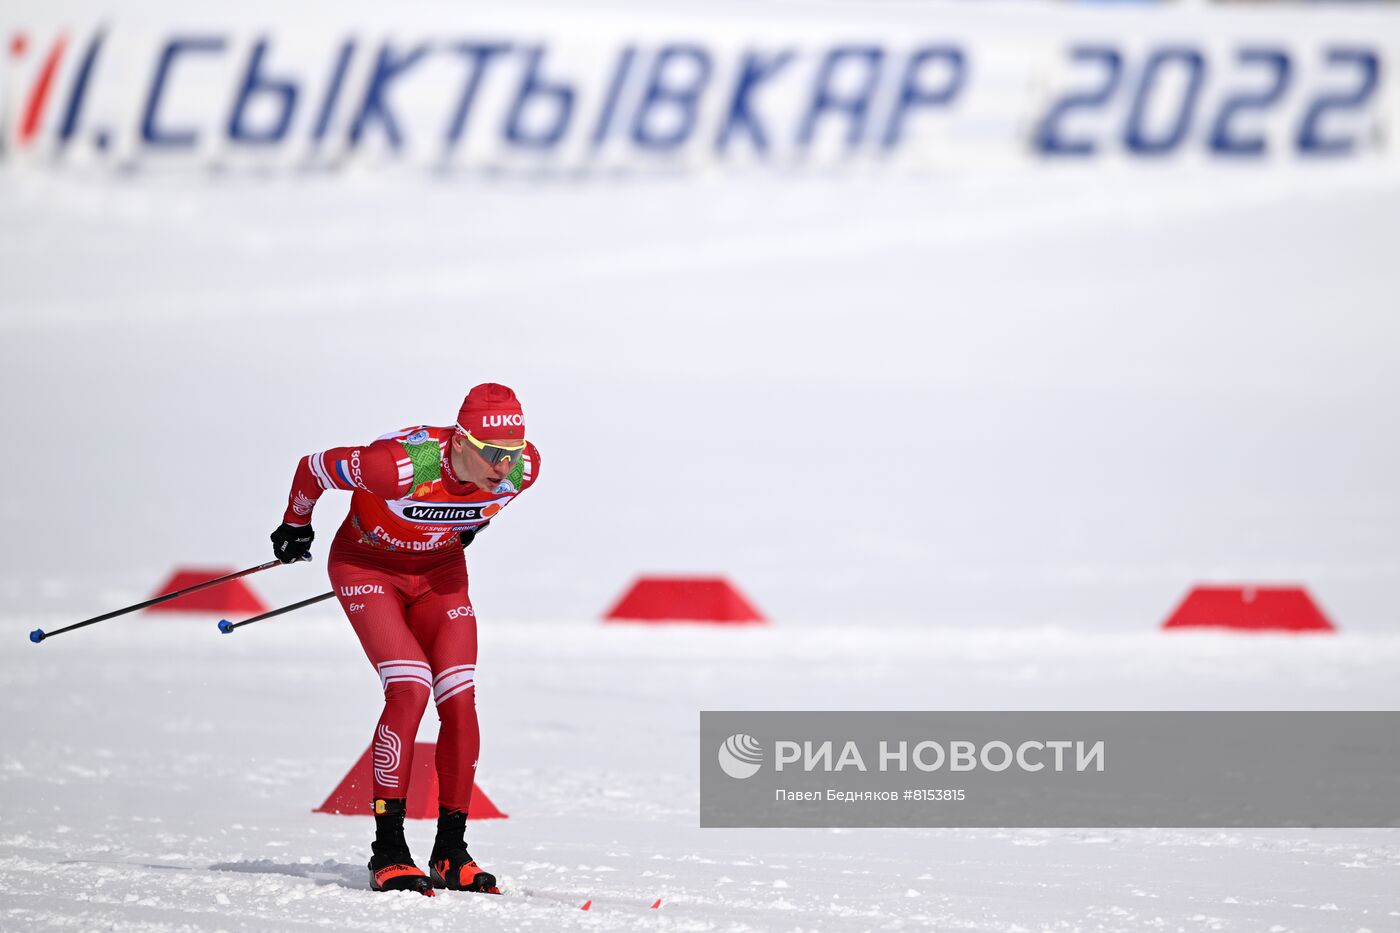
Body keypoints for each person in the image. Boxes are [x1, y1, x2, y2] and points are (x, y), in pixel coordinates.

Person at [269, 383, 540, 896]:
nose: (504, 467)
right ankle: (388, 851)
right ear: (459, 442)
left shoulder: (524, 470)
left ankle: (450, 851)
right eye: (493, 454)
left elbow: (477, 510)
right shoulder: (400, 464)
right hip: (366, 564)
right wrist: (295, 523)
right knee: (411, 686)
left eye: (513, 454)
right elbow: (313, 466)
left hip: (439, 574)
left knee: (459, 697)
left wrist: (463, 530)